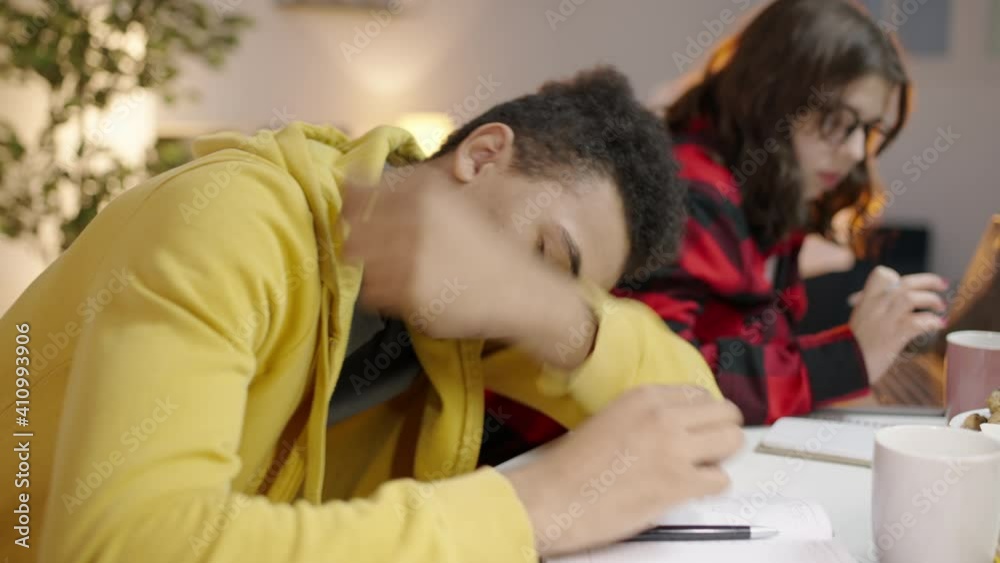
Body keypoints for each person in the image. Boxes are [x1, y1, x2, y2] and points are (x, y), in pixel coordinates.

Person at [0, 67, 743, 563]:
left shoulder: (473, 321)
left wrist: (558, 313)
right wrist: (529, 507)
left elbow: (694, 416)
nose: (524, 299)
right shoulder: (235, 218)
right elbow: (123, 545)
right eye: (543, 255)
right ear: (483, 156)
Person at [618, 0, 948, 425]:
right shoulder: (693, 190)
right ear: (772, 94)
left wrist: (864, 343)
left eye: (867, 130)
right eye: (837, 120)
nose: (853, 151)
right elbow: (663, 383)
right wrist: (849, 358)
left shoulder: (764, 193)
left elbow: (745, 354)